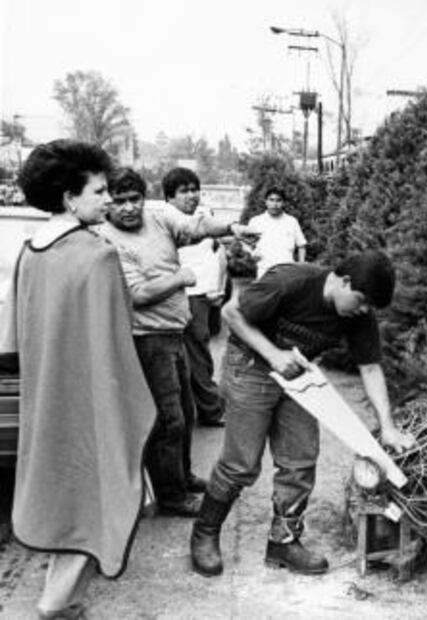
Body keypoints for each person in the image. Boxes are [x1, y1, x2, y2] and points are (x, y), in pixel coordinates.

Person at [0, 141, 156, 619]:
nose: (108, 200)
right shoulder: (97, 257)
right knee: (99, 494)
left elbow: (12, 340)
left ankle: (64, 600)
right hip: (90, 398)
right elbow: (115, 348)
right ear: (70, 197)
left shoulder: (30, 251)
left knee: (58, 493)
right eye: (100, 191)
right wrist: (133, 410)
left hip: (44, 398)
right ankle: (55, 604)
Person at [190, 251, 415, 578]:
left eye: (369, 307)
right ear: (344, 281)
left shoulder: (357, 314)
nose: (364, 311)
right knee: (241, 463)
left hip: (298, 376)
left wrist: (389, 428)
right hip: (250, 366)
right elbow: (231, 312)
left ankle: (283, 542)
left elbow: (369, 366)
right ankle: (205, 534)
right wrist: (272, 354)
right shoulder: (291, 281)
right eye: (362, 301)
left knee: (300, 459)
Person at [98, 167, 251, 518]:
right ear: (109, 205)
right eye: (119, 202)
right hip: (147, 339)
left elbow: (196, 226)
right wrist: (180, 276)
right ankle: (171, 496)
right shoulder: (109, 241)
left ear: (144, 198)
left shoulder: (158, 218)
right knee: (169, 421)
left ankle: (182, 477)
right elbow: (137, 294)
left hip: (174, 332)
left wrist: (230, 228)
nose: (128, 208)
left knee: (186, 412)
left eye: (134, 199)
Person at [164, 167, 228, 427]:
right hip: (180, 296)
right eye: (184, 191)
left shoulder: (202, 218)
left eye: (194, 189)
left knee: (199, 352)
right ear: (170, 197)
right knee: (193, 356)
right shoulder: (168, 220)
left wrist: (217, 290)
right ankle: (210, 409)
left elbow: (215, 258)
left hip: (200, 295)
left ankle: (206, 408)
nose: (191, 195)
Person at [248, 186, 307, 279]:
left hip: (288, 273)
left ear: (283, 202)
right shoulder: (256, 221)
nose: (274, 204)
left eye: (278, 200)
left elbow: (301, 245)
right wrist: (251, 252)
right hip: (264, 272)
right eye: (271, 200)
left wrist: (301, 267)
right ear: (266, 201)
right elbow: (244, 242)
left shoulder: (292, 221)